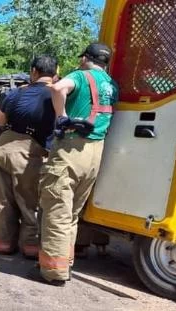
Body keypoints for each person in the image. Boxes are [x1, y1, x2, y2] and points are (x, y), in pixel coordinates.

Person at [38, 43, 119, 284]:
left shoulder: (80, 76)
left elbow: (57, 88)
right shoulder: (112, 84)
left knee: (57, 212)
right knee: (72, 214)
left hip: (72, 149)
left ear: (85, 58)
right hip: (96, 152)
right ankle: (66, 263)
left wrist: (62, 116)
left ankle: (53, 271)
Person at [0, 55, 59, 258]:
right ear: (55, 74)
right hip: (29, 151)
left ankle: (3, 243)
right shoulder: (56, 95)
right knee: (29, 199)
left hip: (3, 147)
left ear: (34, 72)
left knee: (3, 199)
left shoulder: (16, 93)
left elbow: (0, 119)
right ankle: (29, 245)